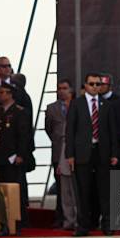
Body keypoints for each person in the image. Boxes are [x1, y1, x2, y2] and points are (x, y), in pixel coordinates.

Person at [65, 72, 118, 236]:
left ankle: (107, 224)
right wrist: (70, 155)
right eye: (92, 84)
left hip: (102, 153)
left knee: (105, 191)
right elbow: (70, 131)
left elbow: (112, 131)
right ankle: (83, 226)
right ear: (85, 86)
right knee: (83, 191)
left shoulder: (107, 105)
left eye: (98, 84)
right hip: (82, 154)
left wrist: (114, 153)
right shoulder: (76, 104)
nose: (95, 87)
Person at [0, 82, 32, 227]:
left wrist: (20, 154)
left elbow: (24, 136)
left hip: (12, 157)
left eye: (2, 92)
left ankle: (20, 220)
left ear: (10, 94)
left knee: (16, 190)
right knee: (0, 188)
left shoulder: (19, 112)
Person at [45, 79, 76, 228]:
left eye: (64, 88)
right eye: (59, 88)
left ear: (70, 90)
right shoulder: (51, 108)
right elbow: (49, 129)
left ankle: (78, 218)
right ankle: (64, 218)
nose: (61, 91)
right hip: (58, 152)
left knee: (77, 188)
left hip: (76, 152)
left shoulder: (77, 105)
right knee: (61, 188)